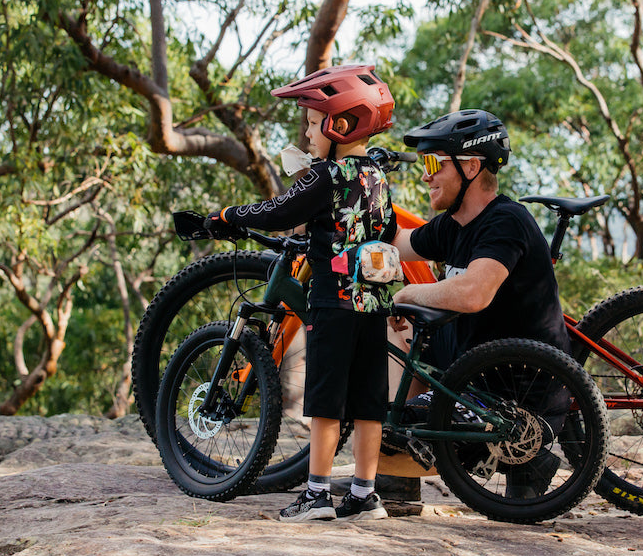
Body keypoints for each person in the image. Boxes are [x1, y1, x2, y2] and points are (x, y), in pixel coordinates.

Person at [207, 64, 398, 522]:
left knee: (326, 400)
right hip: (374, 302)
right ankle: (365, 494)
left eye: (313, 124)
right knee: (369, 401)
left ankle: (316, 495)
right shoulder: (377, 175)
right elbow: (387, 230)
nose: (309, 135)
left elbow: (278, 211)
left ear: (340, 124)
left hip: (333, 302)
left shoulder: (325, 176)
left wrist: (230, 216)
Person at [379, 108, 571, 502]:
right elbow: (396, 245)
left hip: (514, 396)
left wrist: (407, 294)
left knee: (395, 427)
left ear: (470, 166)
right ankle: (397, 483)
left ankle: (530, 460)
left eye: (433, 162)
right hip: (468, 374)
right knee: (382, 334)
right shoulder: (452, 226)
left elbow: (473, 293)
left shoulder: (506, 220)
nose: (424, 174)